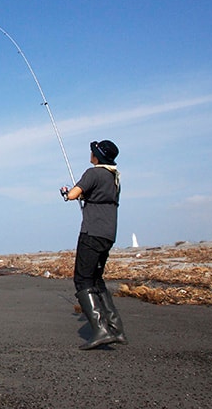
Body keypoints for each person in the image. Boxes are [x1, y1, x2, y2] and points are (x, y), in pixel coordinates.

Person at [60, 140, 127, 350]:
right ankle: (116, 328)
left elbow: (72, 195)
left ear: (97, 156)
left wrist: (65, 192)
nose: (90, 153)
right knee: (96, 279)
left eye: (93, 151)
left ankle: (101, 330)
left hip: (92, 232)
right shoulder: (114, 177)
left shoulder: (94, 173)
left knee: (82, 279)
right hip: (108, 233)